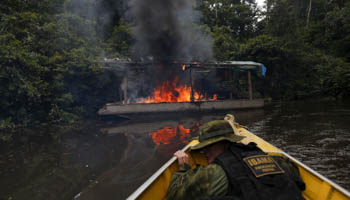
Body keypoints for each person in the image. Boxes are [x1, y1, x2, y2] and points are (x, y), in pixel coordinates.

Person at [166, 120, 306, 200]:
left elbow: (175, 195)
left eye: (209, 146)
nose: (204, 151)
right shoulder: (274, 159)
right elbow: (294, 171)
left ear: (225, 143)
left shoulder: (215, 172)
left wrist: (184, 167)